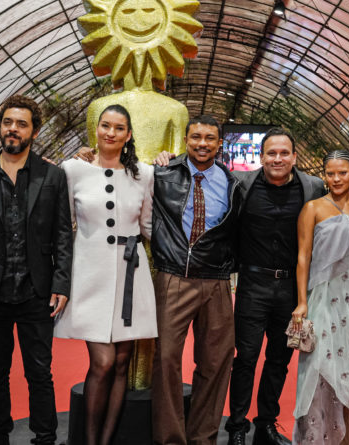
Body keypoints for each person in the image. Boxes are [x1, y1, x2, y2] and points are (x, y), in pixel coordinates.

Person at [0, 94, 73, 445]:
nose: (13, 129)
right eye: (7, 122)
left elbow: (63, 235)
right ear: (0, 126)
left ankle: (45, 437)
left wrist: (61, 283)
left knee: (40, 373)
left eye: (21, 124)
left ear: (34, 131)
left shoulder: (52, 176)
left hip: (38, 292)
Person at [54, 104, 156, 445]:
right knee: (103, 362)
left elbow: (148, 226)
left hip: (131, 274)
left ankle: (105, 441)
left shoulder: (144, 174)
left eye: (118, 128)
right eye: (105, 125)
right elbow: (64, 226)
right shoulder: (73, 169)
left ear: (129, 134)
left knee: (123, 363)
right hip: (89, 275)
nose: (110, 133)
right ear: (96, 128)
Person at [225, 127, 326, 445]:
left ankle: (265, 425)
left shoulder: (313, 187)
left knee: (279, 360)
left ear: (294, 157)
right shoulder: (241, 183)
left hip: (291, 288)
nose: (278, 158)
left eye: (284, 153)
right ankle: (237, 427)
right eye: (271, 153)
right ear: (261, 156)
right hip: (252, 284)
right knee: (246, 358)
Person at [151, 115, 242, 445]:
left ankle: (203, 438)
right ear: (186, 140)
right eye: (196, 137)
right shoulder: (163, 174)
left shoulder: (233, 184)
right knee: (166, 360)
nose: (202, 144)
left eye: (210, 138)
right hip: (173, 276)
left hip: (216, 281)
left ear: (219, 143)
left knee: (216, 362)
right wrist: (87, 155)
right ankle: (170, 439)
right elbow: (121, 173)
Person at [292, 150, 349, 445]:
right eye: (330, 173)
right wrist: (302, 302)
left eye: (342, 173)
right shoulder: (313, 208)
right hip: (323, 302)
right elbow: (303, 256)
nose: (336, 179)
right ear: (324, 176)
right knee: (320, 371)